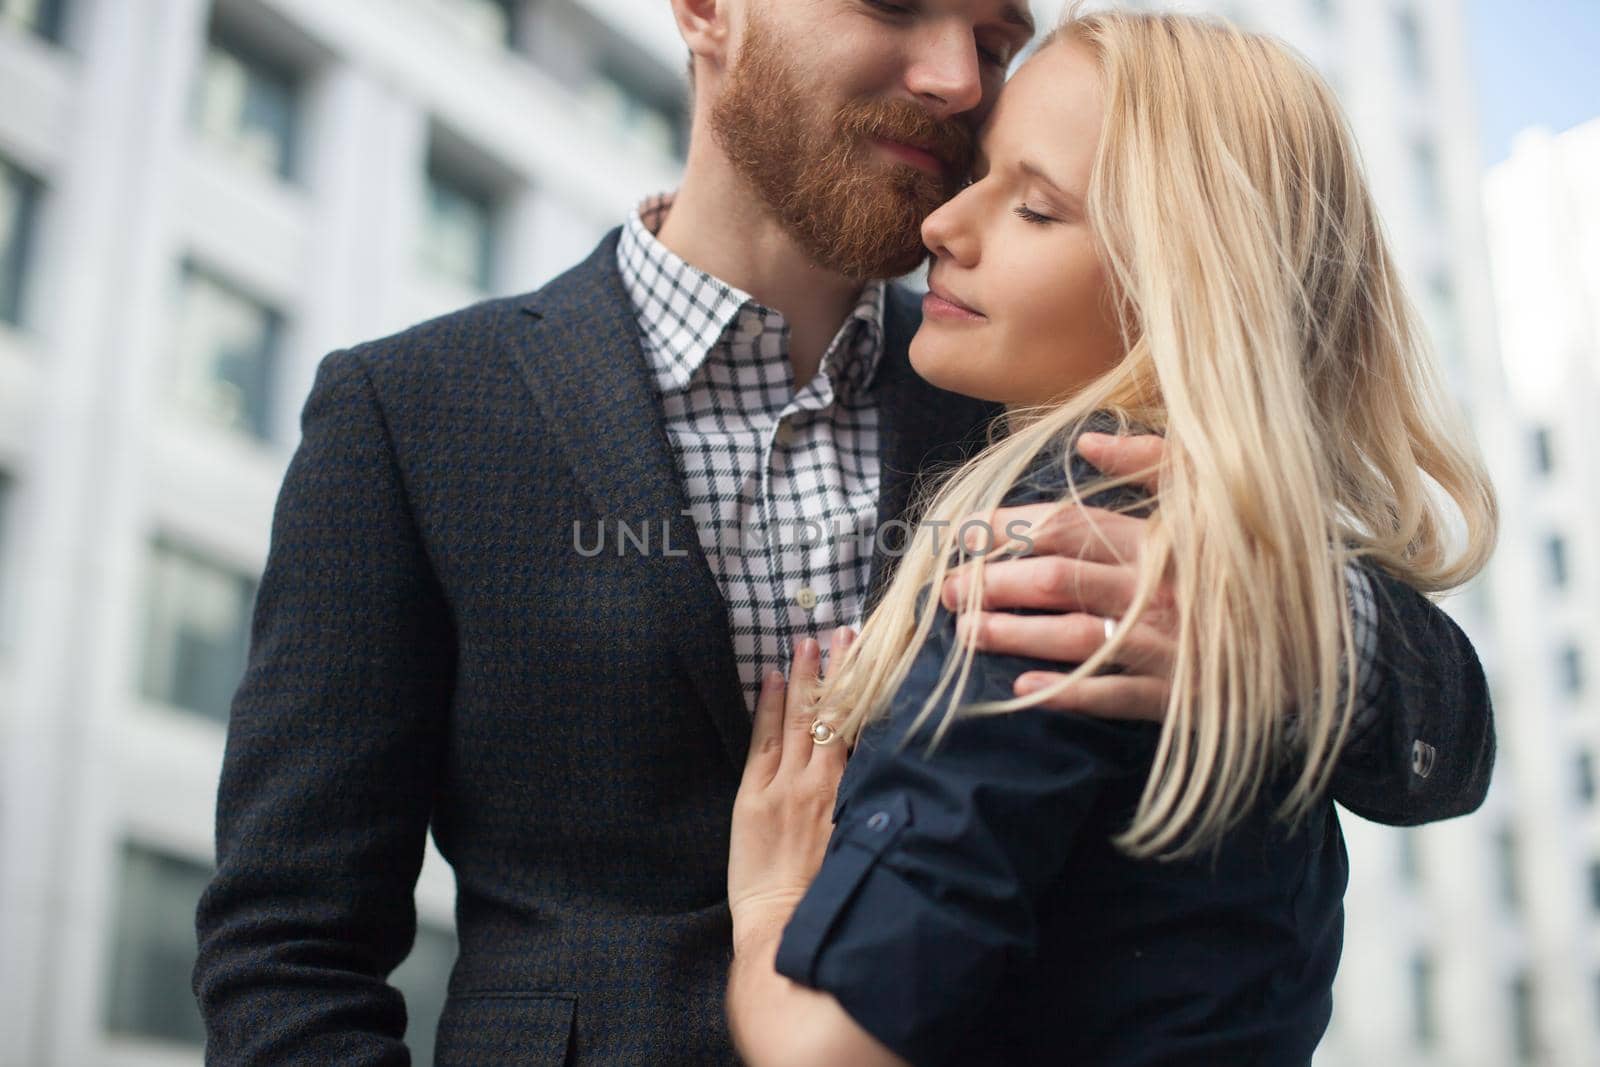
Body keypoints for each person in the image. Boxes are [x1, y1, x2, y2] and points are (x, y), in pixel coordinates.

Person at [191, 1, 1493, 1064]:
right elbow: (287, 946)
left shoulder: (1046, 390)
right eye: (894, 3)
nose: (954, 77)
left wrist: (1277, 625)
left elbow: (1445, 738)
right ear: (706, 11)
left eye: (993, 39)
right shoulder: (413, 410)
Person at [724, 8, 1497, 1067]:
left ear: (1184, 293)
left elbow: (827, 1047)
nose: (945, 223)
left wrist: (769, 904)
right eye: (983, 172)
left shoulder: (1061, 552)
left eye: (1036, 208)